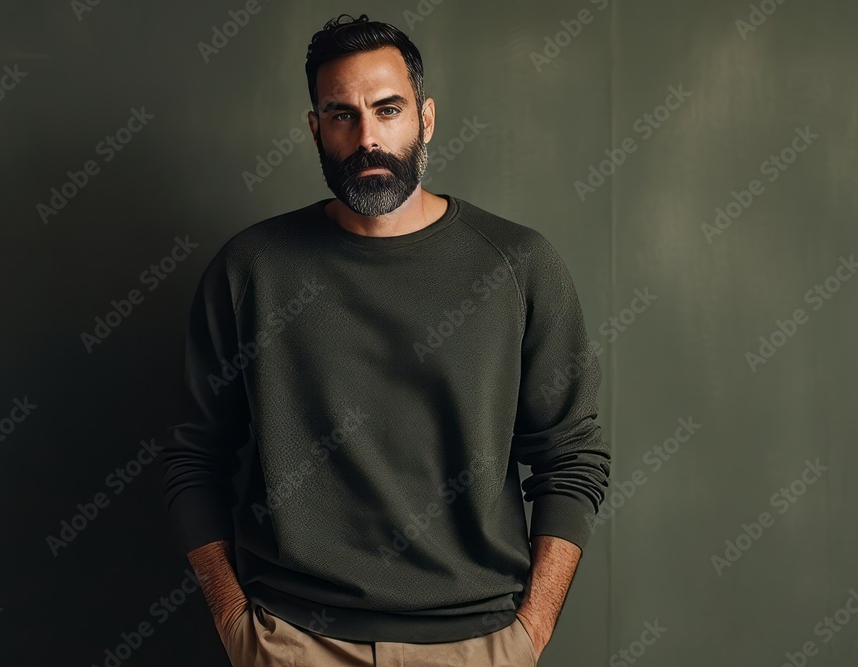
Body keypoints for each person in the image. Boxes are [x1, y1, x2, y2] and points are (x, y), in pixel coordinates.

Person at [160, 13, 611, 666]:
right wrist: (236, 624)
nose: (367, 137)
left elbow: (572, 457)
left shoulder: (518, 265)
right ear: (316, 128)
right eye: (342, 114)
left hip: (475, 643)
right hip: (292, 641)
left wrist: (529, 630)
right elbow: (192, 457)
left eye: (388, 109)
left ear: (425, 119)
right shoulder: (250, 269)